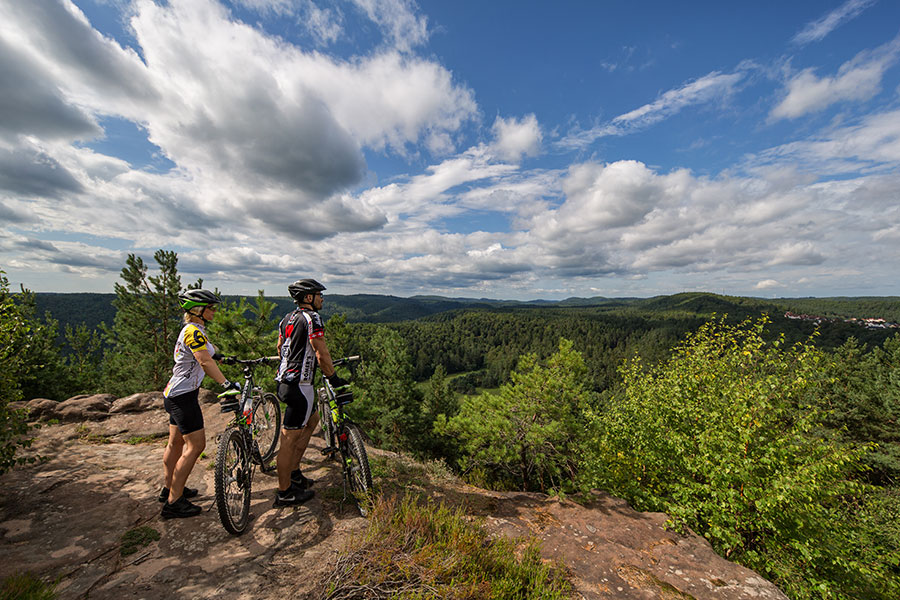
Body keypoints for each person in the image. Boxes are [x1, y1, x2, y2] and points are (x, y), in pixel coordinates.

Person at [160, 289, 241, 519]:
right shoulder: (193, 332)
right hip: (184, 396)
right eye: (211, 308)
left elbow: (211, 354)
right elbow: (203, 360)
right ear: (198, 310)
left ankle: (170, 488)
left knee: (175, 444)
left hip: (174, 394)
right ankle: (174, 502)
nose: (214, 311)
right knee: (196, 446)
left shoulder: (195, 330)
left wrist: (225, 358)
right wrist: (225, 384)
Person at [272, 278, 349, 506]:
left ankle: (294, 472)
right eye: (318, 294)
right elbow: (321, 352)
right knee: (288, 439)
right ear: (308, 298)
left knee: (312, 420)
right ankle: (285, 492)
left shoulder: (287, 319)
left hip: (285, 381)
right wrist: (333, 378)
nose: (322, 298)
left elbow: (279, 348)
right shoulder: (312, 318)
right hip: (300, 385)